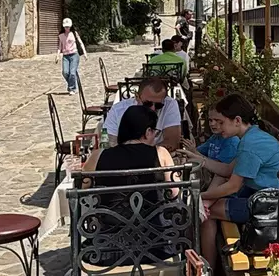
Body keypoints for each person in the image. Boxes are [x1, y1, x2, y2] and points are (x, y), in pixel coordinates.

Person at [81, 104, 178, 264]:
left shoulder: (98, 156)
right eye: (154, 131)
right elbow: (174, 193)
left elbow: (81, 189)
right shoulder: (160, 154)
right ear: (147, 132)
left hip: (108, 248)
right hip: (156, 244)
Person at [199, 94, 279, 270]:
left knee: (207, 213)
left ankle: (208, 271)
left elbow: (232, 185)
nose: (219, 128)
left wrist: (200, 197)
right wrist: (202, 160)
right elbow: (228, 170)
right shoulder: (254, 136)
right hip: (260, 198)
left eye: (222, 122)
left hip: (267, 206)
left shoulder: (250, 144)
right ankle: (208, 268)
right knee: (208, 207)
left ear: (237, 120)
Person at [102, 77, 182, 152]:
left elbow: (172, 143)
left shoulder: (169, 104)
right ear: (137, 97)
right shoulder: (118, 110)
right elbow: (108, 145)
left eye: (158, 105)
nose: (153, 109)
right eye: (147, 103)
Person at [178, 103, 240, 190]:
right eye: (210, 120)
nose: (212, 124)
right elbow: (198, 152)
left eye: (217, 120)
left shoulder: (232, 141)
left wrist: (194, 152)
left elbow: (221, 170)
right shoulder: (215, 137)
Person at [58, 18, 87, 95]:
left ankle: (72, 88)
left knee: (72, 73)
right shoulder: (61, 35)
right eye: (65, 27)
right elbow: (60, 46)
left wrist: (84, 53)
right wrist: (57, 55)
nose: (67, 28)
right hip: (65, 56)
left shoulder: (74, 33)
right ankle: (73, 84)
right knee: (65, 72)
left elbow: (80, 43)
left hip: (74, 54)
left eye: (68, 27)